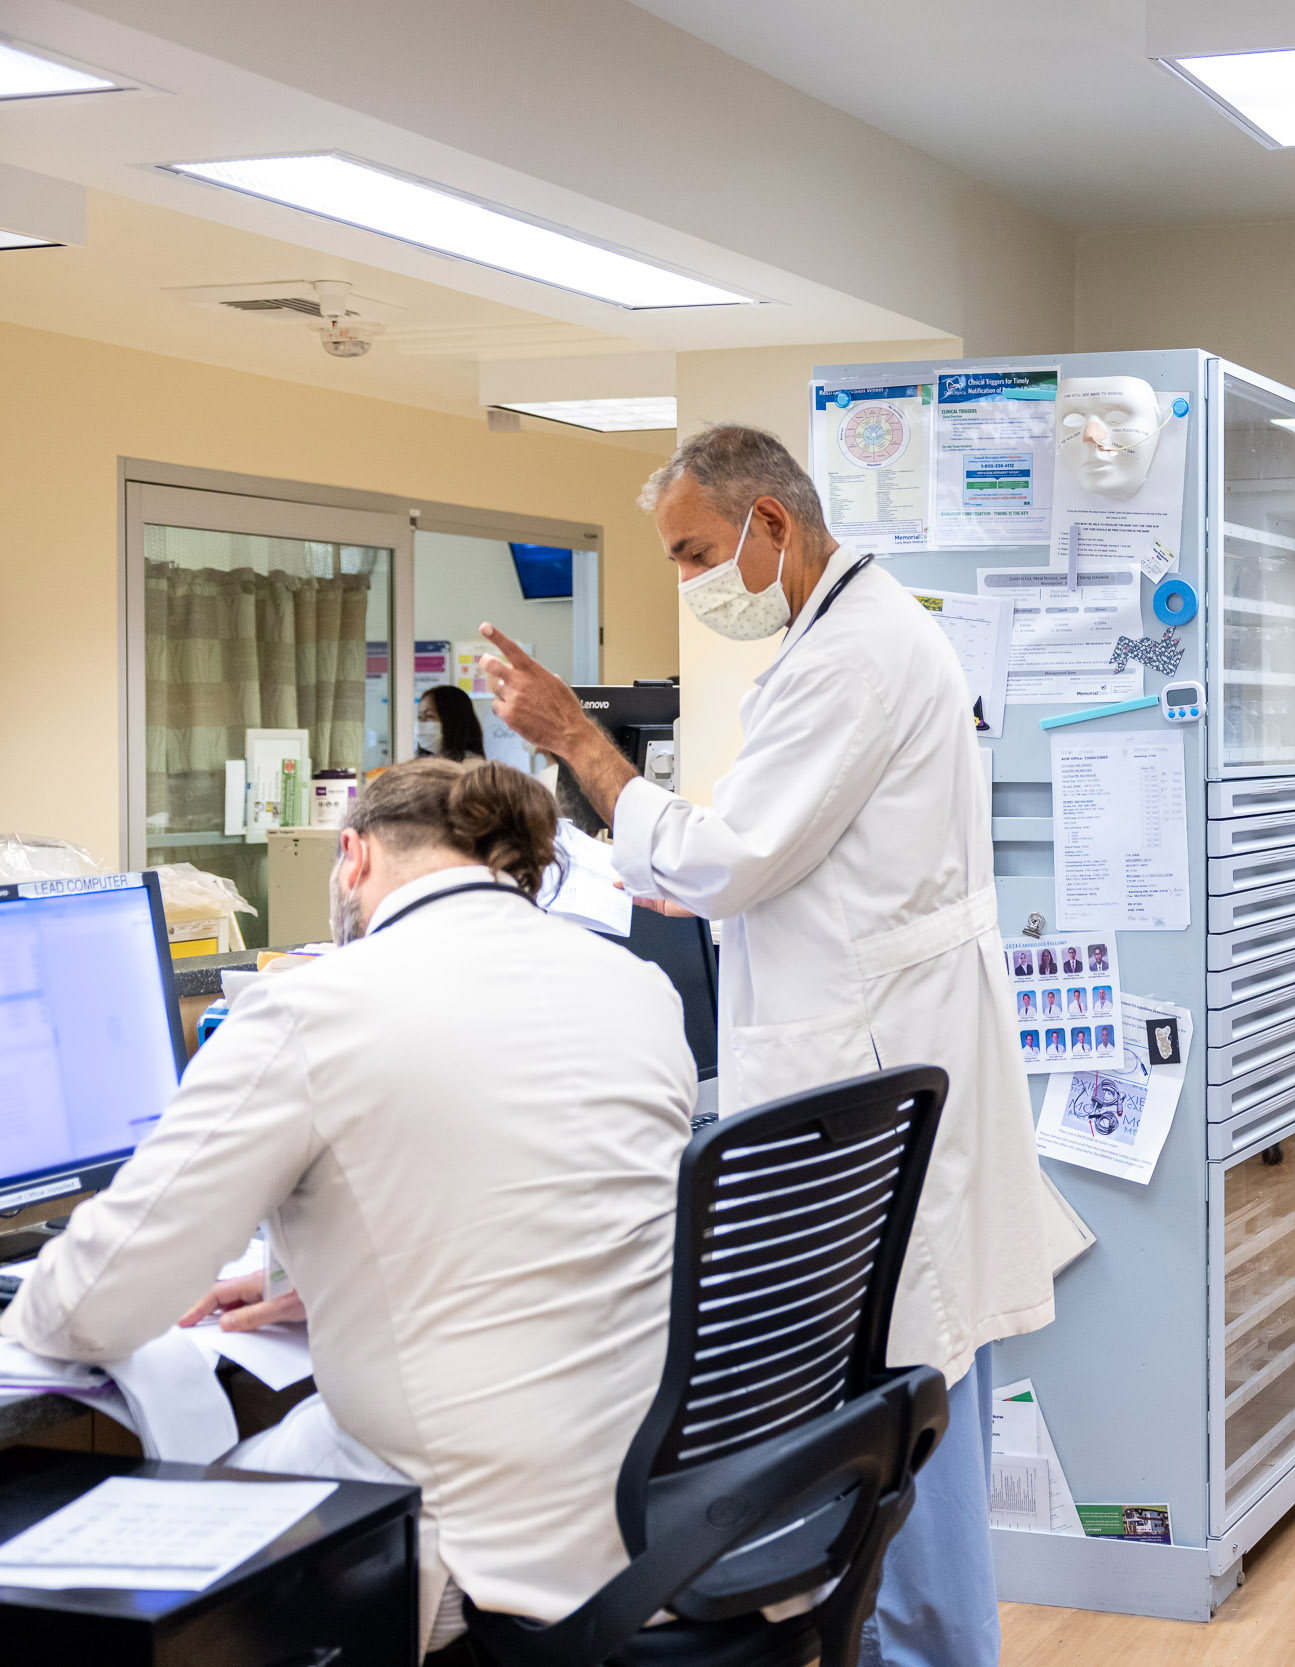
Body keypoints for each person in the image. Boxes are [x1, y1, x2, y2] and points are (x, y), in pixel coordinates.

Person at [479, 422, 1089, 1667]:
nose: (691, 581)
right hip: (883, 1047)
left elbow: (732, 855)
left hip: (866, 1054)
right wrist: (691, 875)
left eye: (695, 551)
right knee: (909, 1384)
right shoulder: (853, 635)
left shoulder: (857, 654)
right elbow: (762, 862)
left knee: (897, 1384)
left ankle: (920, 1646)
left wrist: (573, 740)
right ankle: (908, 1640)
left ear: (771, 525)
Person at [0, 759, 696, 1658]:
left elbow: (97, 1304)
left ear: (354, 855)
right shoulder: (634, 984)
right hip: (667, 1505)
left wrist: (34, 1305)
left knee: (118, 1579)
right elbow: (559, 1207)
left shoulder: (312, 1007)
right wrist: (333, 1274)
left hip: (478, 1540)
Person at [416, 684, 487, 762]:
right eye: (419, 717)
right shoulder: (426, 762)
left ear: (453, 720)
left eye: (429, 716)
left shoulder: (473, 766)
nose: (421, 723)